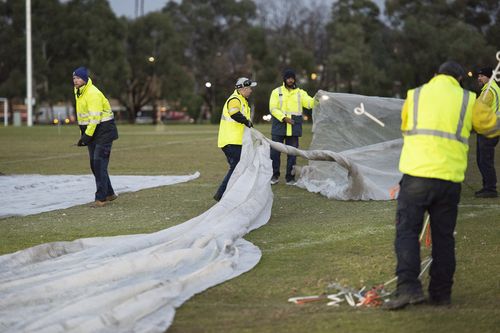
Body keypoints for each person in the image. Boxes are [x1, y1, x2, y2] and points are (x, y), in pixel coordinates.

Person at [384, 61, 499, 310]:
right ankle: (440, 294)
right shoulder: (468, 99)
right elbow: (491, 129)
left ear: (435, 75)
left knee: (407, 233)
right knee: (444, 238)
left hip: (415, 175)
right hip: (449, 180)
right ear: (459, 79)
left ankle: (408, 289)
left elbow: (406, 127)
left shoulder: (415, 95)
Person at [73, 67, 119, 207]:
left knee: (99, 164)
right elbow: (83, 118)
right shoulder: (78, 91)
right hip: (93, 131)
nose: (75, 80)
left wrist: (86, 136)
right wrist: (83, 136)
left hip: (104, 131)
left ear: (85, 79)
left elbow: (94, 118)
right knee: (95, 165)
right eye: (74, 78)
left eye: (79, 78)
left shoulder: (92, 93)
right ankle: (110, 193)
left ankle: (101, 198)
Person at [269, 69, 315, 185]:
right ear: (284, 79)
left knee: (292, 153)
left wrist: (318, 98)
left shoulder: (300, 93)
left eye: (292, 78)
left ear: (294, 79)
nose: (290, 80)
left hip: (294, 127)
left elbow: (310, 104)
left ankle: (290, 178)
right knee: (275, 153)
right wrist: (284, 118)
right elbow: (273, 108)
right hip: (279, 126)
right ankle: (274, 176)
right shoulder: (276, 92)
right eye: (288, 78)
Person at [213, 77, 256, 201]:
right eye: (249, 88)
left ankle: (228, 194)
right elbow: (234, 113)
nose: (251, 91)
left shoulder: (242, 100)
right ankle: (221, 194)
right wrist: (247, 122)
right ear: (243, 88)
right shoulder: (235, 99)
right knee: (237, 168)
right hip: (231, 141)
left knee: (238, 168)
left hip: (235, 141)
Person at [474, 67, 499, 198]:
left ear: (489, 77)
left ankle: (490, 188)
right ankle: (487, 186)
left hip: (489, 129)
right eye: (478, 76)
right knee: (482, 159)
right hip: (490, 128)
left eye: (482, 76)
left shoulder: (489, 91)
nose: (479, 78)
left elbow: (479, 109)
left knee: (485, 160)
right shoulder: (491, 88)